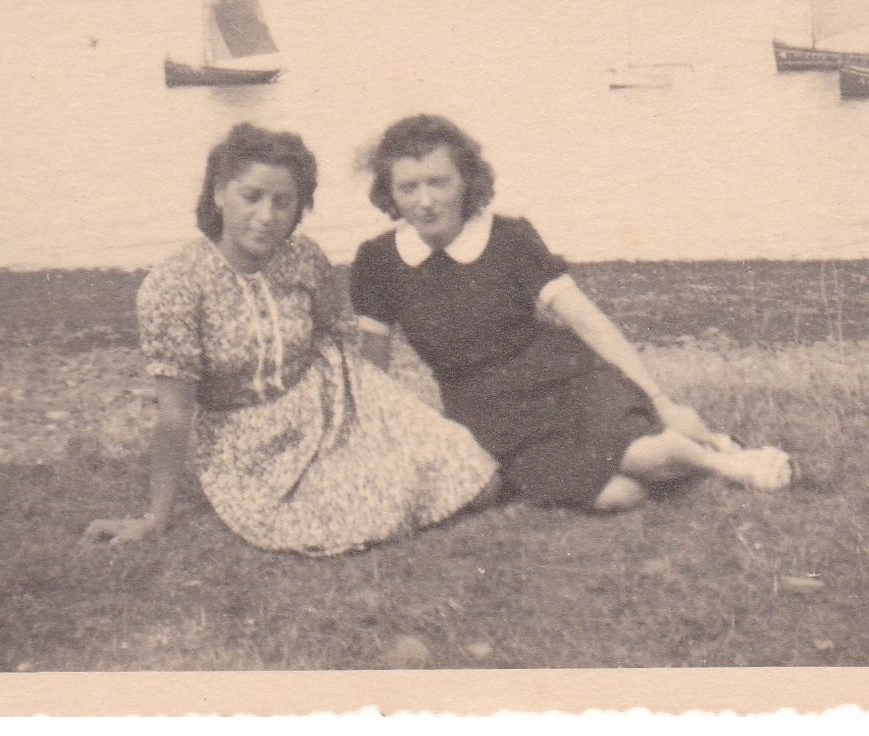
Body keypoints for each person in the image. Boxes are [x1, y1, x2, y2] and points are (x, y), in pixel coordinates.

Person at [84, 123, 497, 556]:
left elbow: (339, 337)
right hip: (249, 444)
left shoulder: (303, 257)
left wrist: (379, 418)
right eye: (251, 196)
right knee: (362, 511)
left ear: (299, 208)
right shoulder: (175, 284)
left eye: (283, 202)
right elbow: (174, 414)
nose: (266, 216)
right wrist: (156, 517)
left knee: (475, 478)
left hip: (331, 400)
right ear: (219, 193)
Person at [350, 114, 792, 514]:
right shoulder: (378, 262)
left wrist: (661, 400)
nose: (425, 201)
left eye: (438, 182)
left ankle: (727, 463)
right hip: (487, 413)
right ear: (389, 193)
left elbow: (588, 322)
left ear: (466, 181)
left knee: (640, 455)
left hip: (565, 381)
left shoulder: (508, 239)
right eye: (409, 187)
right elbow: (374, 367)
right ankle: (705, 448)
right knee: (617, 496)